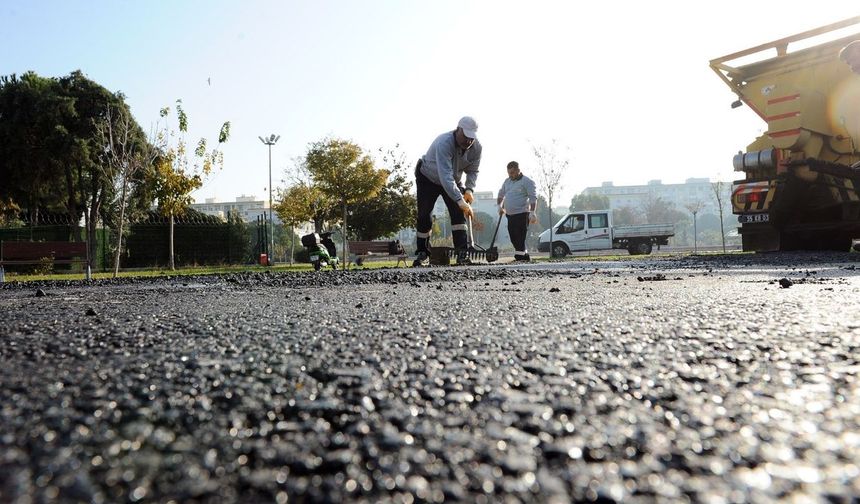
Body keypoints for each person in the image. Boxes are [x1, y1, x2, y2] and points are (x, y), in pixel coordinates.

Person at [413, 116, 482, 266]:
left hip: (453, 179)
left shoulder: (477, 148)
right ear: (458, 130)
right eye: (466, 137)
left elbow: (473, 171)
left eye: (472, 138)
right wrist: (460, 200)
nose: (468, 141)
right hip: (428, 177)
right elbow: (445, 176)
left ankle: (462, 253)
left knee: (458, 215)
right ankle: (422, 252)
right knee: (424, 215)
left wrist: (469, 189)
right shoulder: (444, 143)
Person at [497, 161, 538, 261]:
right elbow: (501, 194)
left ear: (518, 170)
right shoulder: (507, 181)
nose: (510, 175)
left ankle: (519, 257)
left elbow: (533, 198)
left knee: (520, 236)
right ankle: (525, 255)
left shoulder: (527, 181)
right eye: (509, 173)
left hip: (522, 214)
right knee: (513, 237)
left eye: (512, 173)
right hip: (510, 215)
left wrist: (532, 212)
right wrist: (500, 206)